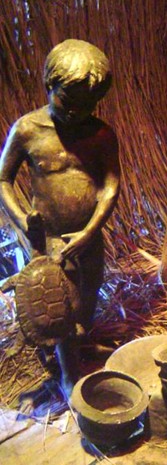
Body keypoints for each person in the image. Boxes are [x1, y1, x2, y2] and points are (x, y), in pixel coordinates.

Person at [0, 39, 120, 397]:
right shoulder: (28, 130)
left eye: (88, 105)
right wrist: (23, 220)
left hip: (87, 237)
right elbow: (3, 178)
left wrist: (90, 231)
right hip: (48, 239)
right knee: (60, 303)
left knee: (88, 296)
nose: (76, 113)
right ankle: (69, 374)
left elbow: (110, 185)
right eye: (69, 102)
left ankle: (77, 347)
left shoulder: (100, 135)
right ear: (48, 85)